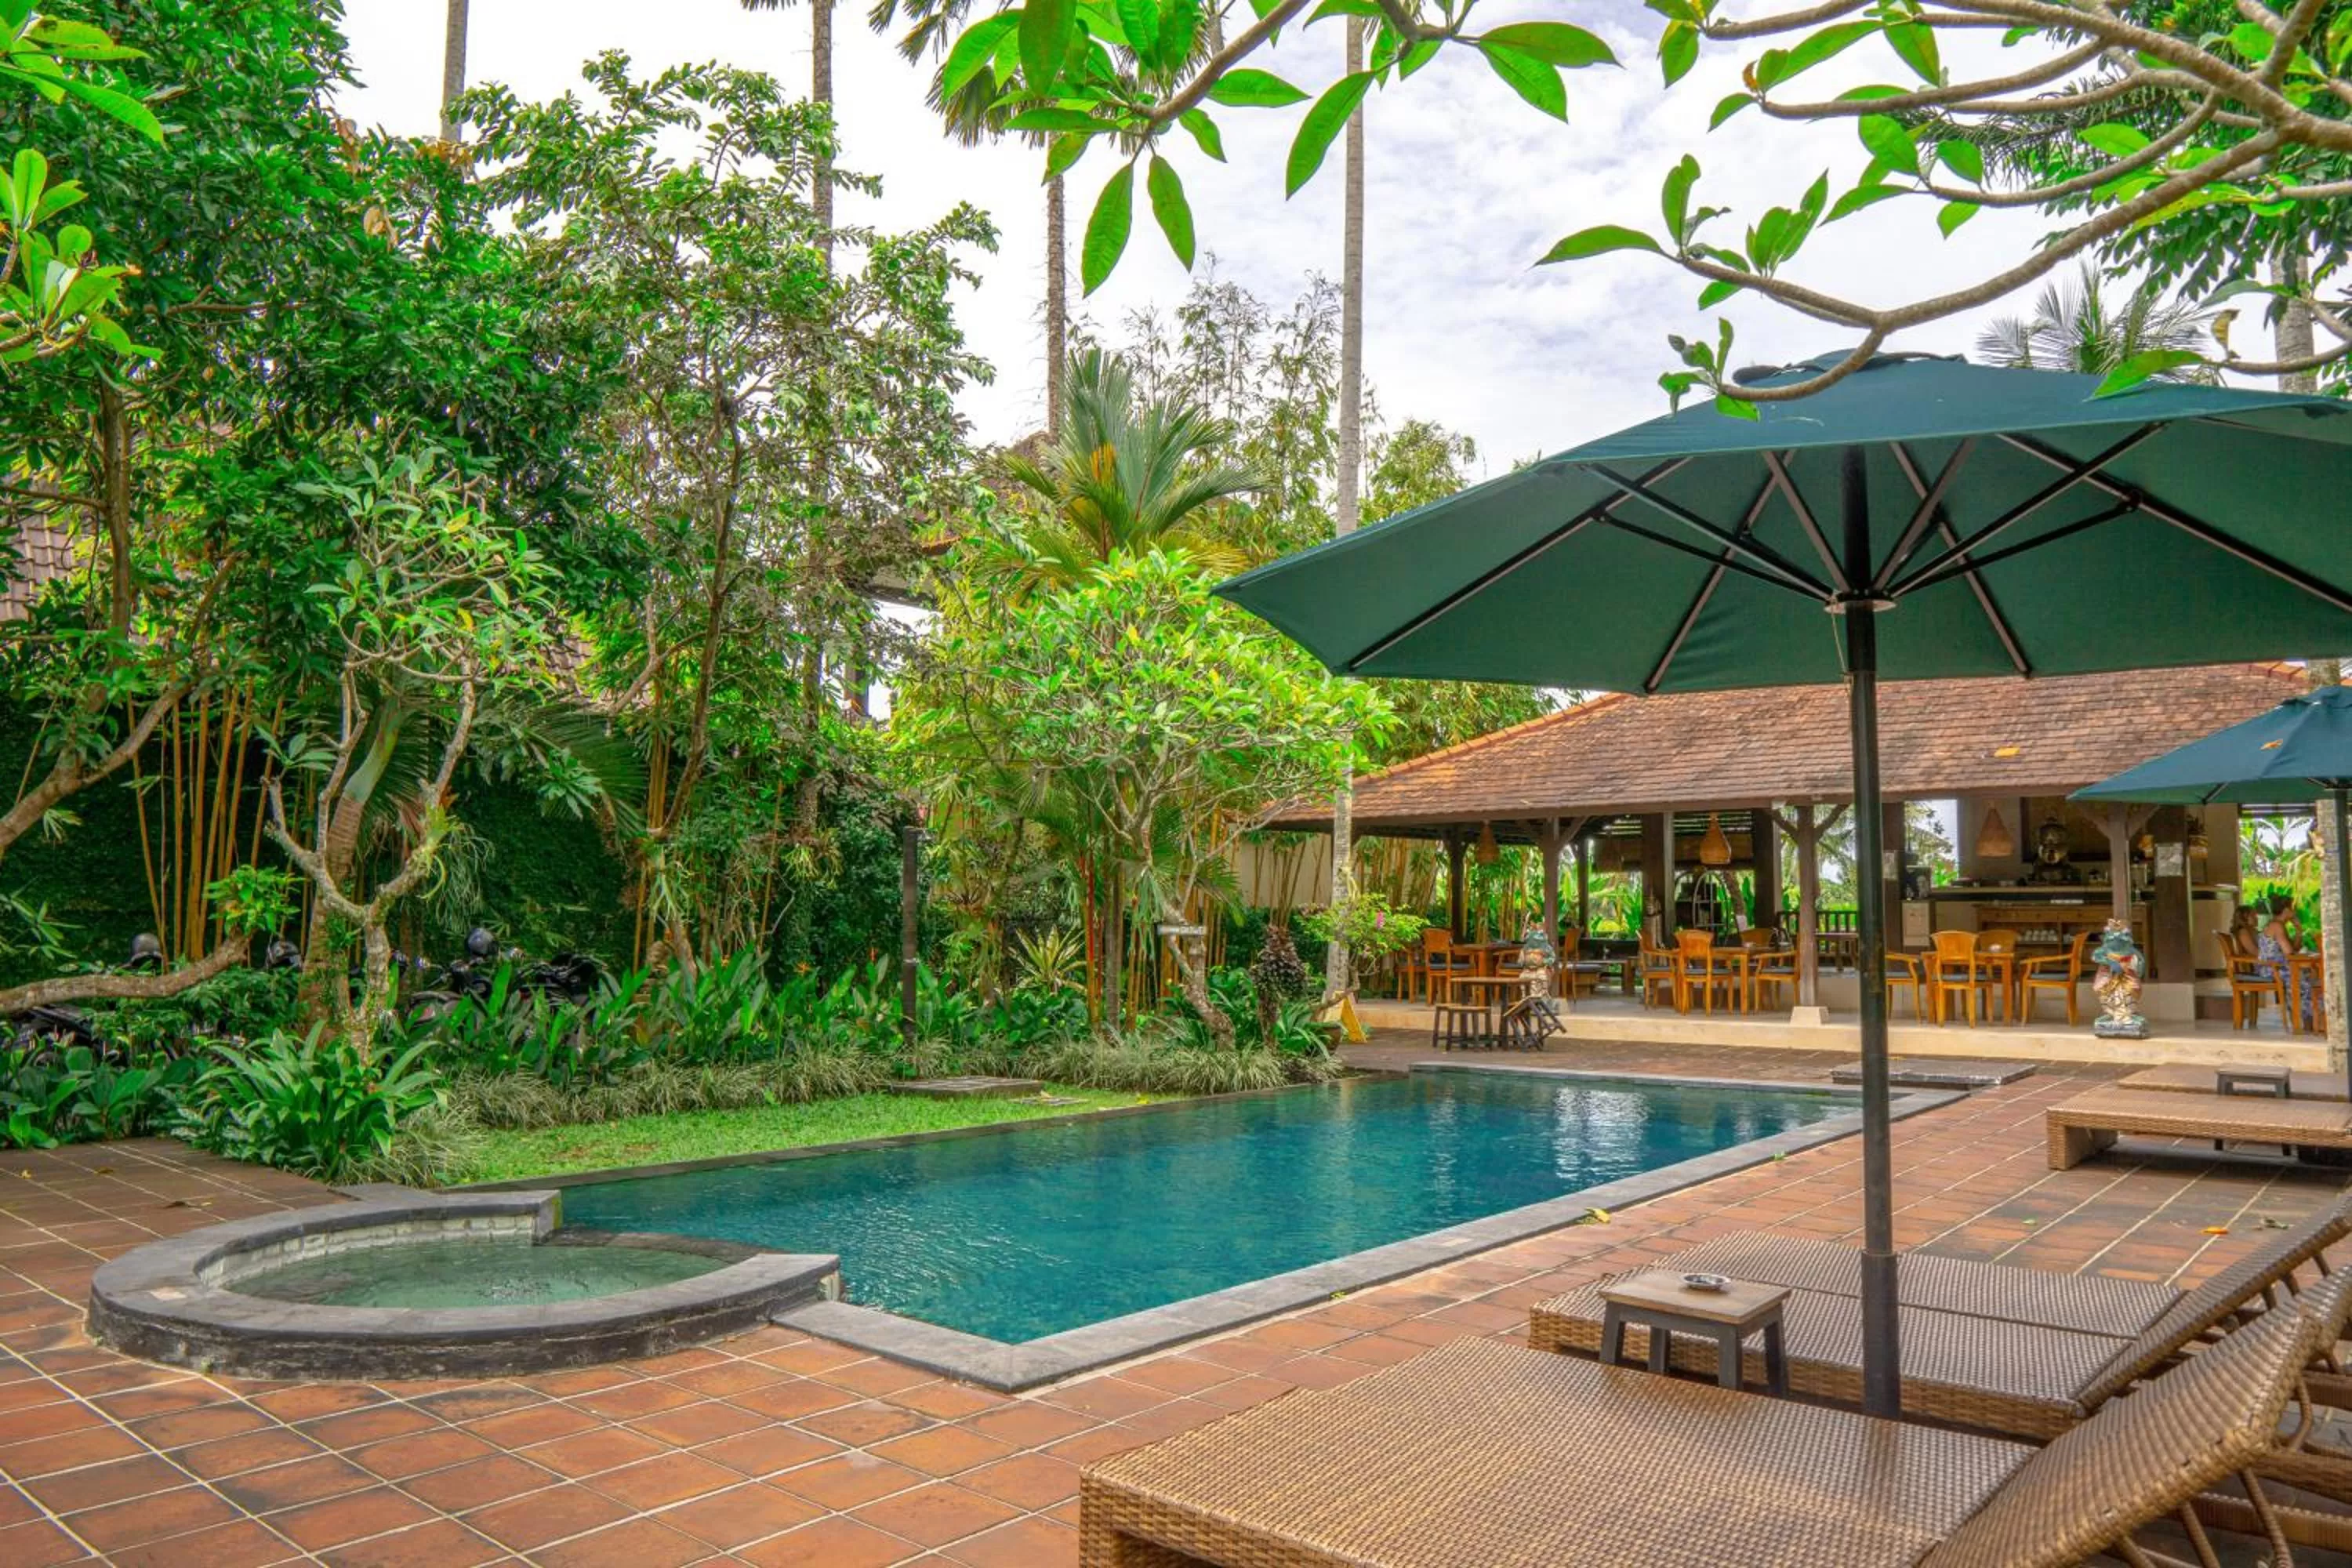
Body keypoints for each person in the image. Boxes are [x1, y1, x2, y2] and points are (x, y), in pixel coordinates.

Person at [2257, 896, 2315, 1025]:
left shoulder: (2279, 925)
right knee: (2303, 977)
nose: (2295, 911)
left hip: (2278, 967)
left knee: (2307, 974)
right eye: (2292, 908)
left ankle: (2308, 1019)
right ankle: (2306, 1019)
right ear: (2286, 910)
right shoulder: (2277, 926)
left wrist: (2298, 930)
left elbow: (2294, 948)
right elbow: (2289, 952)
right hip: (2272, 969)